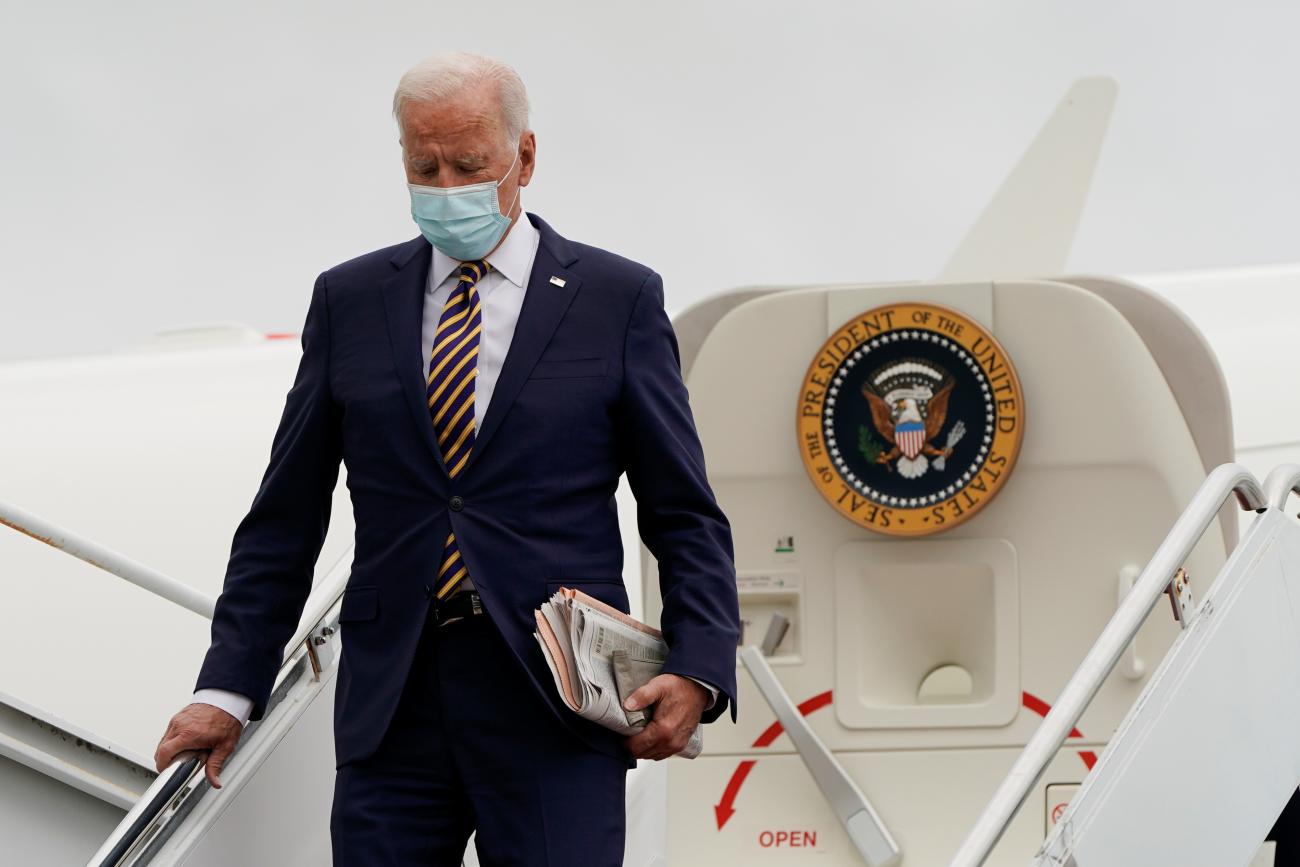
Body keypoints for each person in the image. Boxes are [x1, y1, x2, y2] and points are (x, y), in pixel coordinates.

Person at [152, 51, 741, 865]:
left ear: (524, 157)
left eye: (469, 164)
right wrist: (228, 687)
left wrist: (700, 664)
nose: (447, 184)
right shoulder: (349, 301)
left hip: (554, 703)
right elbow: (284, 518)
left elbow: (683, 512)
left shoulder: (618, 300)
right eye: (423, 166)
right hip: (394, 705)